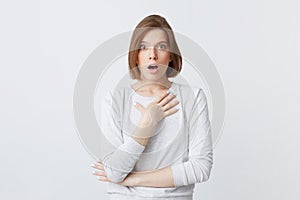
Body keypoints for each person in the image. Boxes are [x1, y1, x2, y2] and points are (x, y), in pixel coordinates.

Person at [91, 14, 213, 200]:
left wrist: (132, 179)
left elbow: (201, 168)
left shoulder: (193, 98)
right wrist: (146, 126)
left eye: (161, 47)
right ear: (136, 55)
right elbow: (114, 173)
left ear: (171, 55)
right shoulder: (115, 99)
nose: (152, 55)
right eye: (143, 47)